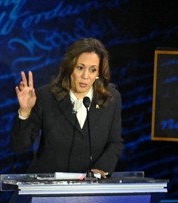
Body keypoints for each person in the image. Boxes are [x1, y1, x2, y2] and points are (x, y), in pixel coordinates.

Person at [11, 37, 123, 178]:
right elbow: (19, 146)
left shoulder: (110, 98)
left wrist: (101, 170)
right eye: (80, 68)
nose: (85, 76)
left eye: (93, 70)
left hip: (89, 190)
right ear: (69, 68)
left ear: (98, 73)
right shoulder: (46, 96)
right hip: (48, 187)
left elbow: (115, 142)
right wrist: (25, 112)